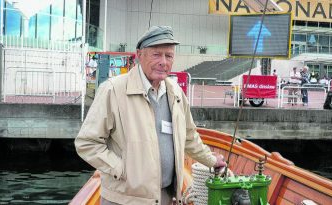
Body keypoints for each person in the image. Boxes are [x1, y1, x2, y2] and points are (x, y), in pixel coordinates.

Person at [74, 26, 229, 205]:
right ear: (139, 55)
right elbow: (87, 143)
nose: (164, 61)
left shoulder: (176, 92)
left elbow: (189, 136)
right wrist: (122, 169)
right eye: (157, 54)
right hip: (125, 199)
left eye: (169, 56)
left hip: (165, 197)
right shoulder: (113, 90)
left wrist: (210, 160)